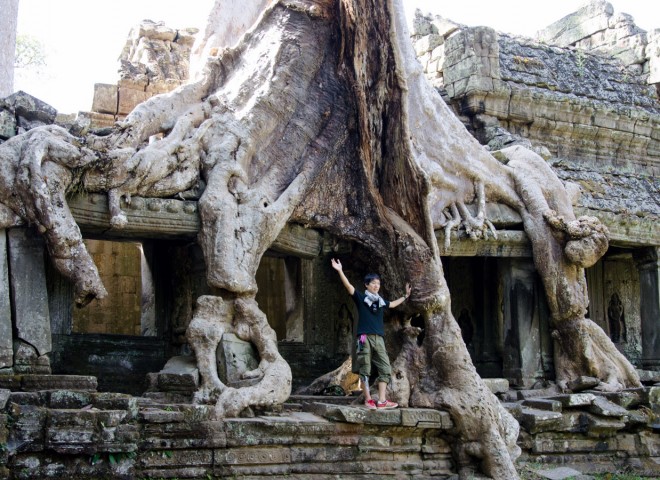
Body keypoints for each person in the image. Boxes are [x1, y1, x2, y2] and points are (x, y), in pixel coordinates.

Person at [331, 258, 411, 410]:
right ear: (367, 285)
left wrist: (406, 296)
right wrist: (340, 270)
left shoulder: (380, 302)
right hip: (363, 337)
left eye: (378, 283)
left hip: (378, 339)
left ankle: (382, 400)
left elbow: (393, 304)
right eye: (373, 283)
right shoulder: (361, 298)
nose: (376, 285)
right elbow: (349, 286)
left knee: (385, 368)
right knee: (364, 367)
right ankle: (368, 399)